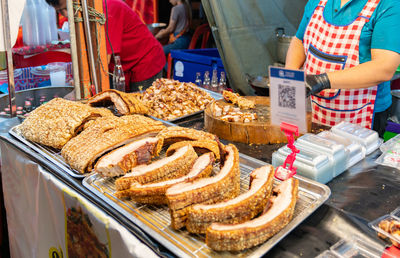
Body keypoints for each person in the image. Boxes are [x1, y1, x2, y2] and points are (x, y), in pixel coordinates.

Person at [285, 0, 400, 136]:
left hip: (361, 116)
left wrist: (320, 81)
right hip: (314, 106)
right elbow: (299, 40)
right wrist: (290, 76)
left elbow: (384, 68)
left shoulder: (388, 4)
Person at [46, 0, 166, 92]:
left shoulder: (105, 9)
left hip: (145, 61)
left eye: (66, 8)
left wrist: (81, 85)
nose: (66, 14)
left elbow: (103, 60)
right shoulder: (83, 12)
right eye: (60, 11)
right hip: (121, 65)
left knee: (140, 110)